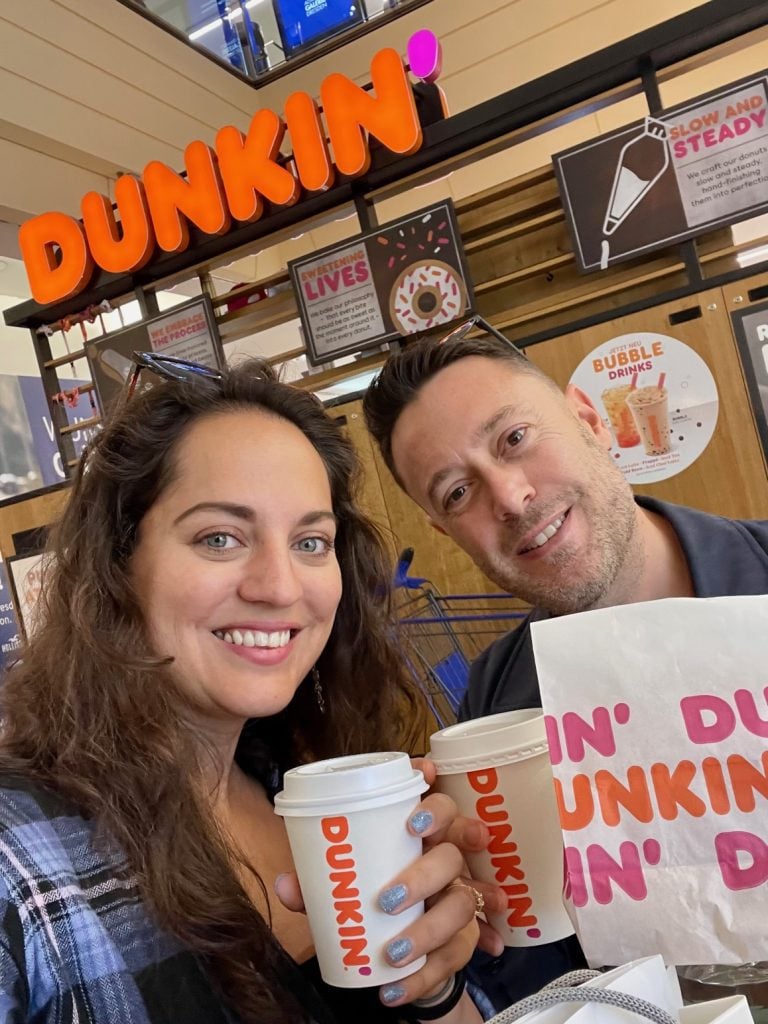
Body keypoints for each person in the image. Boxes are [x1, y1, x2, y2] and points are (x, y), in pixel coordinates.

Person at [0, 354, 507, 1024]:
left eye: (310, 542)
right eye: (219, 537)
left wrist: (435, 985)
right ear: (120, 565)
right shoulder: (19, 855)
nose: (279, 587)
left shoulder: (299, 783)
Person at [362, 320, 768, 1010]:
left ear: (588, 419)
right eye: (457, 492)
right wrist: (452, 943)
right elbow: (528, 983)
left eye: (515, 439)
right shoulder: (495, 709)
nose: (512, 499)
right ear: (445, 531)